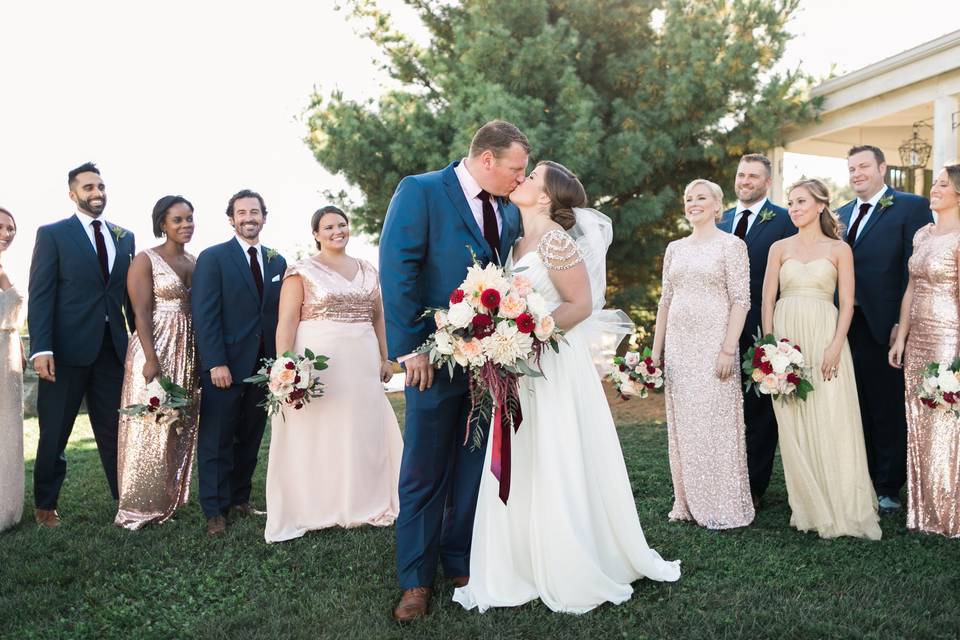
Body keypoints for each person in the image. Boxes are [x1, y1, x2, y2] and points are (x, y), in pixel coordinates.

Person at [453, 161, 681, 615]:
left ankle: (568, 557)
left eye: (531, 177)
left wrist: (526, 333)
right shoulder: (516, 243)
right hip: (520, 364)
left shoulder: (556, 241)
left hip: (552, 363)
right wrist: (502, 338)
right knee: (525, 454)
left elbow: (582, 304)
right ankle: (520, 560)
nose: (521, 180)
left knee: (555, 452)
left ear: (545, 197)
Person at [380, 121, 527, 621]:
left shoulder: (509, 210)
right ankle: (415, 581)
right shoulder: (420, 191)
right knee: (424, 469)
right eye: (515, 168)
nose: (520, 179)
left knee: (473, 464)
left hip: (489, 362)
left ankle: (459, 558)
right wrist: (409, 350)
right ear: (487, 159)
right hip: (431, 359)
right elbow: (397, 266)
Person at [265, 206, 402, 542]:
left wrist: (386, 357)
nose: (337, 231)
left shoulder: (368, 269)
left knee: (362, 427)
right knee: (321, 429)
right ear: (316, 234)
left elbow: (379, 317)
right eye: (328, 227)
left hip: (362, 359)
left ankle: (364, 498)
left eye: (342, 225)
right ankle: (317, 502)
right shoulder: (301, 271)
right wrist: (287, 366)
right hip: (318, 360)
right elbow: (287, 322)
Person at [760, 179, 881, 540]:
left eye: (800, 202)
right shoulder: (778, 247)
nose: (794, 208)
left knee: (832, 415)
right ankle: (808, 505)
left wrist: (835, 345)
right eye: (791, 203)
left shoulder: (840, 249)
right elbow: (767, 299)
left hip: (826, 334)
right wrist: (771, 348)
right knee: (793, 417)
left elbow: (847, 303)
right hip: (786, 335)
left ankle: (841, 501)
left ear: (820, 205)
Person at [28, 163, 136, 527]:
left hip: (111, 349)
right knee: (55, 430)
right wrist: (41, 348)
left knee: (114, 428)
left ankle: (125, 500)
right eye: (89, 187)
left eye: (101, 186)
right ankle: (46, 504)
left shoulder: (125, 237)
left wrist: (138, 343)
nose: (97, 193)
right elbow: (40, 295)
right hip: (65, 351)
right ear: (73, 194)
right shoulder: (53, 234)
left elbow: (130, 297)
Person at [653, 179, 755, 530]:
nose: (693, 203)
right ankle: (688, 501)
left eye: (700, 198)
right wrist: (655, 352)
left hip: (714, 346)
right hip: (679, 349)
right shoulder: (674, 249)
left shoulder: (732, 246)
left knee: (716, 425)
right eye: (688, 198)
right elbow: (665, 302)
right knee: (685, 426)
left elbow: (741, 300)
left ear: (717, 205)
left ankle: (723, 503)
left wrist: (729, 348)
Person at [837, 145, 932, 513]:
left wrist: (902, 324)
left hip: (888, 324)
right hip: (847, 323)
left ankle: (889, 486)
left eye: (863, 166)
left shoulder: (910, 206)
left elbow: (916, 268)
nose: (856, 173)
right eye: (851, 168)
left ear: (882, 168)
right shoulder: (842, 213)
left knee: (886, 407)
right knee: (856, 403)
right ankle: (864, 478)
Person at [192, 190, 287, 536]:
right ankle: (215, 510)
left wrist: (280, 363)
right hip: (225, 366)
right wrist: (215, 361)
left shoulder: (277, 261)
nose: (249, 217)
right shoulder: (213, 258)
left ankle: (240, 498)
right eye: (242, 212)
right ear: (231, 218)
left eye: (255, 211)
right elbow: (205, 315)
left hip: (264, 367)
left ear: (264, 216)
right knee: (217, 438)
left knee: (250, 435)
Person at [114, 196, 200, 530]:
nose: (185, 225)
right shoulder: (146, 259)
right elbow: (140, 312)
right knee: (149, 422)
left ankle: (169, 501)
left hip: (187, 347)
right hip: (156, 345)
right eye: (177, 220)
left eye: (189, 218)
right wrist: (150, 358)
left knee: (179, 422)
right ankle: (137, 506)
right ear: (162, 224)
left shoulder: (194, 262)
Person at [718, 154, 796, 508]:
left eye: (753, 176)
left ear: (767, 182)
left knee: (759, 407)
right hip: (717, 325)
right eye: (741, 174)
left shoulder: (783, 219)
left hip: (762, 325)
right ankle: (723, 477)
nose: (745, 180)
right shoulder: (721, 220)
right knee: (722, 402)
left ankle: (754, 485)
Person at [889, 164, 960, 538]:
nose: (935, 188)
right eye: (934, 183)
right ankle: (923, 510)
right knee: (918, 419)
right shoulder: (922, 234)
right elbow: (911, 288)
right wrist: (902, 336)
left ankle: (951, 512)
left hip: (949, 337)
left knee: (946, 419)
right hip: (917, 339)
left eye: (943, 185)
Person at [0, 207, 25, 532]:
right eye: (0, 227)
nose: (6, 233)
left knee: (6, 428)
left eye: (10, 229)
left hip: (8, 357)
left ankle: (7, 505)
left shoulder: (7, 266)